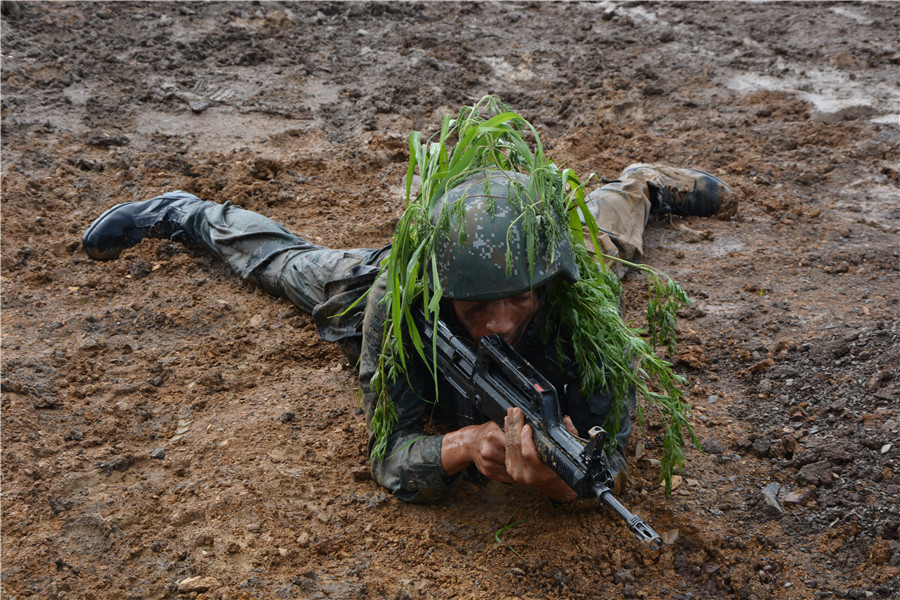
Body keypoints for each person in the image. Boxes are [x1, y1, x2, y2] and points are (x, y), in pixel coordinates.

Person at [83, 134, 734, 505]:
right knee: (288, 267)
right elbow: (390, 454)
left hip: (557, 261)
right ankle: (181, 210)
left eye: (520, 299)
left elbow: (606, 462)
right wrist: (462, 446)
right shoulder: (397, 304)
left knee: (610, 239)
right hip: (408, 276)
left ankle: (639, 183)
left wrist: (561, 482)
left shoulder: (577, 308)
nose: (503, 321)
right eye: (480, 307)